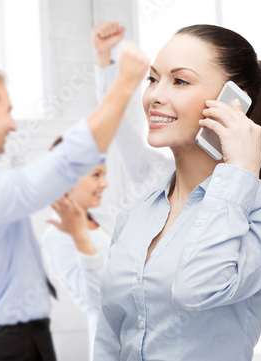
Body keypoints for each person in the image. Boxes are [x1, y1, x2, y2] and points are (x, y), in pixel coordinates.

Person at [93, 24, 261, 361]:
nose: (154, 95)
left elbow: (197, 288)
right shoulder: (135, 215)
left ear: (235, 101)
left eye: (179, 81)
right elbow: (109, 336)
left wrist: (239, 171)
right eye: (152, 79)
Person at [0, 44, 149, 361]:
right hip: (16, 348)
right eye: (7, 111)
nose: (14, 124)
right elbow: (68, 160)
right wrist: (124, 84)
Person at [41, 22, 174, 361]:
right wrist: (105, 62)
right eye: (96, 175)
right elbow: (100, 297)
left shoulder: (105, 217)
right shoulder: (58, 236)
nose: (105, 183)